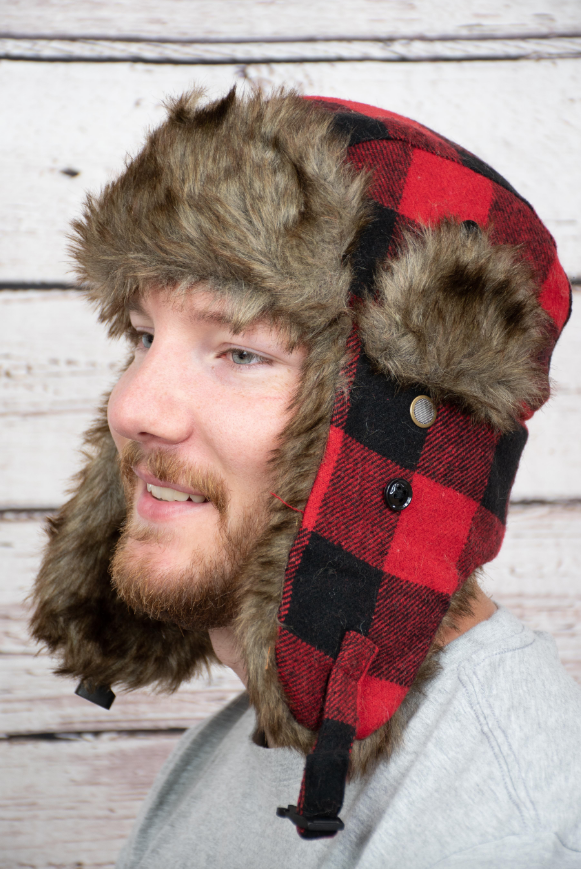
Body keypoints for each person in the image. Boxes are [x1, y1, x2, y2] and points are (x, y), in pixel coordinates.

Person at [30, 88, 581, 867]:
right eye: (144, 336)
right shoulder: (236, 746)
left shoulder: (504, 828)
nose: (132, 407)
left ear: (396, 424)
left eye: (240, 352)